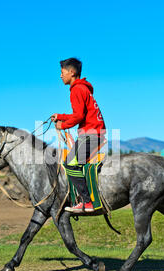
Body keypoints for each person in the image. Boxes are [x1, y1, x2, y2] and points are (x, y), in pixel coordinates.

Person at [51, 57, 106, 213]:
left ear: (71, 72)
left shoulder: (76, 89)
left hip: (91, 134)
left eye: (62, 72)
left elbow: (78, 117)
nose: (60, 76)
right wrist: (60, 116)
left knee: (69, 163)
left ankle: (87, 201)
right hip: (95, 132)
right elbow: (78, 114)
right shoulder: (83, 88)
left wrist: (63, 125)